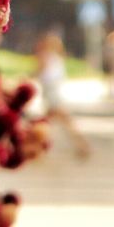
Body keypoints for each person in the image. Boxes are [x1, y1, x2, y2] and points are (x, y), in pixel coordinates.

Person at [35, 31, 90, 159]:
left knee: (52, 123)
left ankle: (82, 145)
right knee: (46, 123)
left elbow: (39, 73)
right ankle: (39, 149)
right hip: (53, 93)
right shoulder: (57, 58)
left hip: (52, 95)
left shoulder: (46, 57)